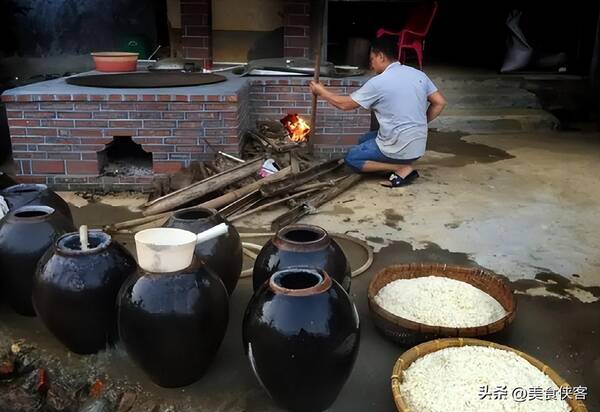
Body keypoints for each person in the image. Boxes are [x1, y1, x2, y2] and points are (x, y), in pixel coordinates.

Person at [309, 36, 447, 187]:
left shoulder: (379, 82)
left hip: (399, 147)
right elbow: (439, 103)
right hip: (418, 148)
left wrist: (321, 91)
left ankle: (399, 167)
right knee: (364, 139)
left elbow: (345, 105)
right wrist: (420, 123)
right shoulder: (418, 74)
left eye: (372, 59)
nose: (371, 65)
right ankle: (401, 161)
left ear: (381, 56)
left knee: (352, 158)